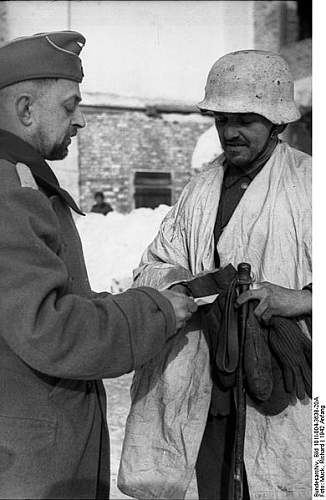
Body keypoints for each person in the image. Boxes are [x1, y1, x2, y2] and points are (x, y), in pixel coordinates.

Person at [0, 31, 197, 499]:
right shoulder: (11, 190)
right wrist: (157, 311)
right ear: (26, 110)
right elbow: (48, 329)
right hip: (29, 465)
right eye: (70, 106)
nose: (81, 120)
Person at [130, 50, 312, 499]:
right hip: (207, 385)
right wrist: (182, 285)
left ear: (277, 121)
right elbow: (152, 264)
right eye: (221, 118)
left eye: (245, 119)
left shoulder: (312, 184)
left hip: (286, 391)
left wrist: (303, 299)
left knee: (285, 481)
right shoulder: (199, 189)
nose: (229, 132)